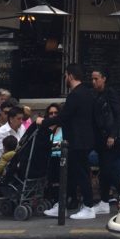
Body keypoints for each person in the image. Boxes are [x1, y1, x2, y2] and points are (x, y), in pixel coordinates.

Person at [44, 64, 109, 220]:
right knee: (72, 173)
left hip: (76, 141)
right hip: (85, 140)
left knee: (79, 173)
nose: (65, 78)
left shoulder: (75, 95)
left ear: (71, 76)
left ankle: (88, 206)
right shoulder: (88, 93)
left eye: (66, 75)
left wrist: (43, 121)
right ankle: (63, 204)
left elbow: (63, 117)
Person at [91, 66, 120, 203]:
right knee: (104, 168)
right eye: (92, 79)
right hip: (100, 138)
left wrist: (112, 135)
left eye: (96, 79)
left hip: (110, 139)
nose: (93, 82)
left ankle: (119, 191)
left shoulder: (110, 93)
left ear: (104, 79)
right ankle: (105, 199)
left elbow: (118, 114)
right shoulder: (95, 95)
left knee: (107, 169)